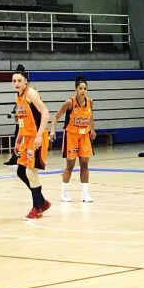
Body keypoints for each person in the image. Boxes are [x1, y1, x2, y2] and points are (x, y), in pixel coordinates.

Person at [12, 64, 52, 219]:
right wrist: (18, 139)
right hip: (26, 138)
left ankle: (37, 208)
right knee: (21, 171)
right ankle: (41, 201)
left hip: (37, 137)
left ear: (25, 82)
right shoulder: (18, 96)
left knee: (31, 171)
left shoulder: (31, 94)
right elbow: (23, 120)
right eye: (14, 81)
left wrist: (39, 136)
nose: (16, 83)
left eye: (19, 80)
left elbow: (45, 113)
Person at [50, 75, 96, 203]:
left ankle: (85, 194)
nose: (83, 90)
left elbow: (91, 116)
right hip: (71, 135)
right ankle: (63, 193)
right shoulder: (69, 102)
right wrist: (52, 130)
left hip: (84, 135)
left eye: (85, 88)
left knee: (85, 164)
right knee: (70, 165)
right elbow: (56, 117)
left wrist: (92, 129)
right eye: (80, 88)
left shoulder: (89, 102)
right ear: (76, 89)